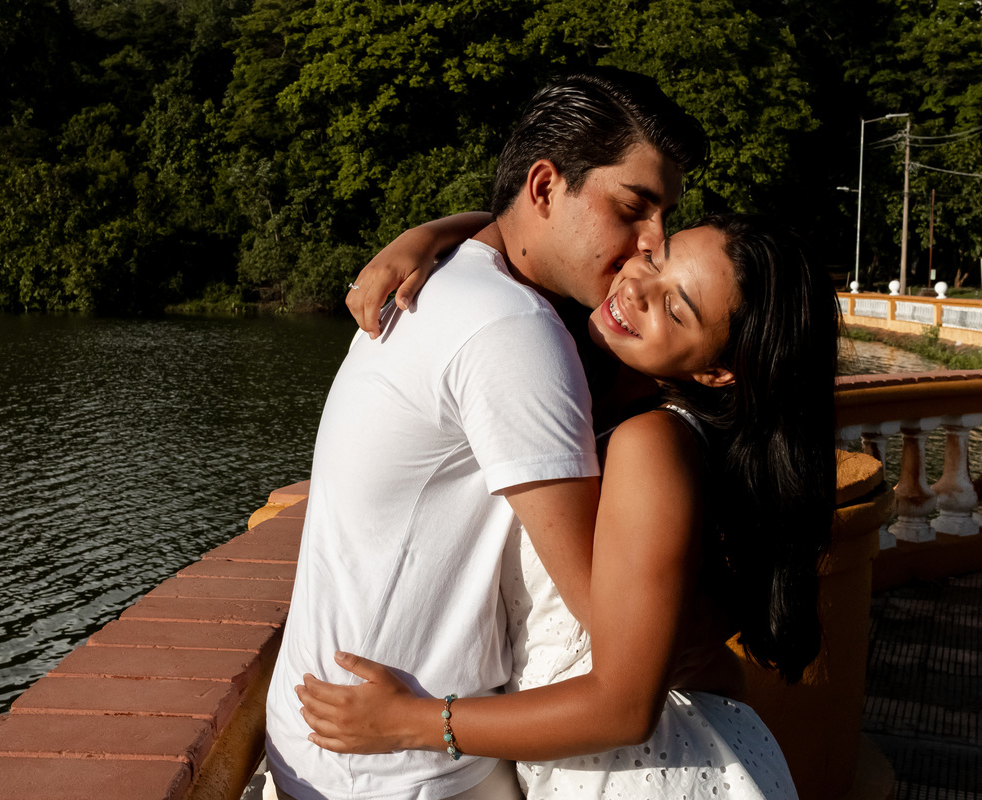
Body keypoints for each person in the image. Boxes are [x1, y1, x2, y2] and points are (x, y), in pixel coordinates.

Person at [264, 69, 708, 800]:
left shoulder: (456, 281)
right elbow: (614, 634)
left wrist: (440, 228)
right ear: (544, 187)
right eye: (634, 208)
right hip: (401, 766)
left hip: (337, 739)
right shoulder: (513, 328)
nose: (652, 242)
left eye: (664, 218)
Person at [295, 213, 839, 799]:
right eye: (656, 259)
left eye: (674, 308)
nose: (636, 288)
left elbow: (625, 708)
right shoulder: (616, 404)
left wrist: (411, 722)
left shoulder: (652, 444)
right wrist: (426, 236)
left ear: (717, 371)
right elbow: (534, 222)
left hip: (641, 773)